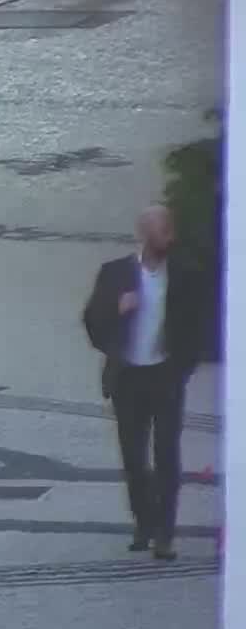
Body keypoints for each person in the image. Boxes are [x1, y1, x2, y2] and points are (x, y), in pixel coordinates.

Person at [82, 205, 208, 561]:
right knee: (134, 458)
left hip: (165, 376)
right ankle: (145, 522)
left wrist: (184, 365)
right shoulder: (114, 274)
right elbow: (91, 322)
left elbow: (199, 324)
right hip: (128, 378)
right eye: (162, 230)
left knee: (167, 455)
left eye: (170, 228)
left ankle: (165, 533)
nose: (169, 235)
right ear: (145, 235)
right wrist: (115, 310)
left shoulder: (185, 275)